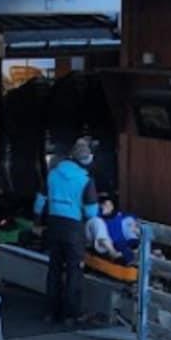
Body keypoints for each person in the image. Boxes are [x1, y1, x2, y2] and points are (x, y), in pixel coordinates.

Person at [33, 138, 98, 325]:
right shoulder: (85, 180)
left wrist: (37, 222)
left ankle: (50, 312)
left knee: (54, 269)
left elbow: (40, 201)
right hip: (74, 229)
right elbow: (91, 212)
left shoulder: (53, 174)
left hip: (54, 226)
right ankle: (70, 315)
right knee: (73, 271)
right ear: (85, 160)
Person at [86, 194, 142, 269]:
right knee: (96, 221)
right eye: (103, 204)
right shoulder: (96, 215)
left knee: (129, 221)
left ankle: (136, 249)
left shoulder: (121, 216)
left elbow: (133, 221)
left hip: (120, 244)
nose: (104, 206)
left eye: (108, 204)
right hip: (100, 243)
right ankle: (113, 253)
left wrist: (136, 228)